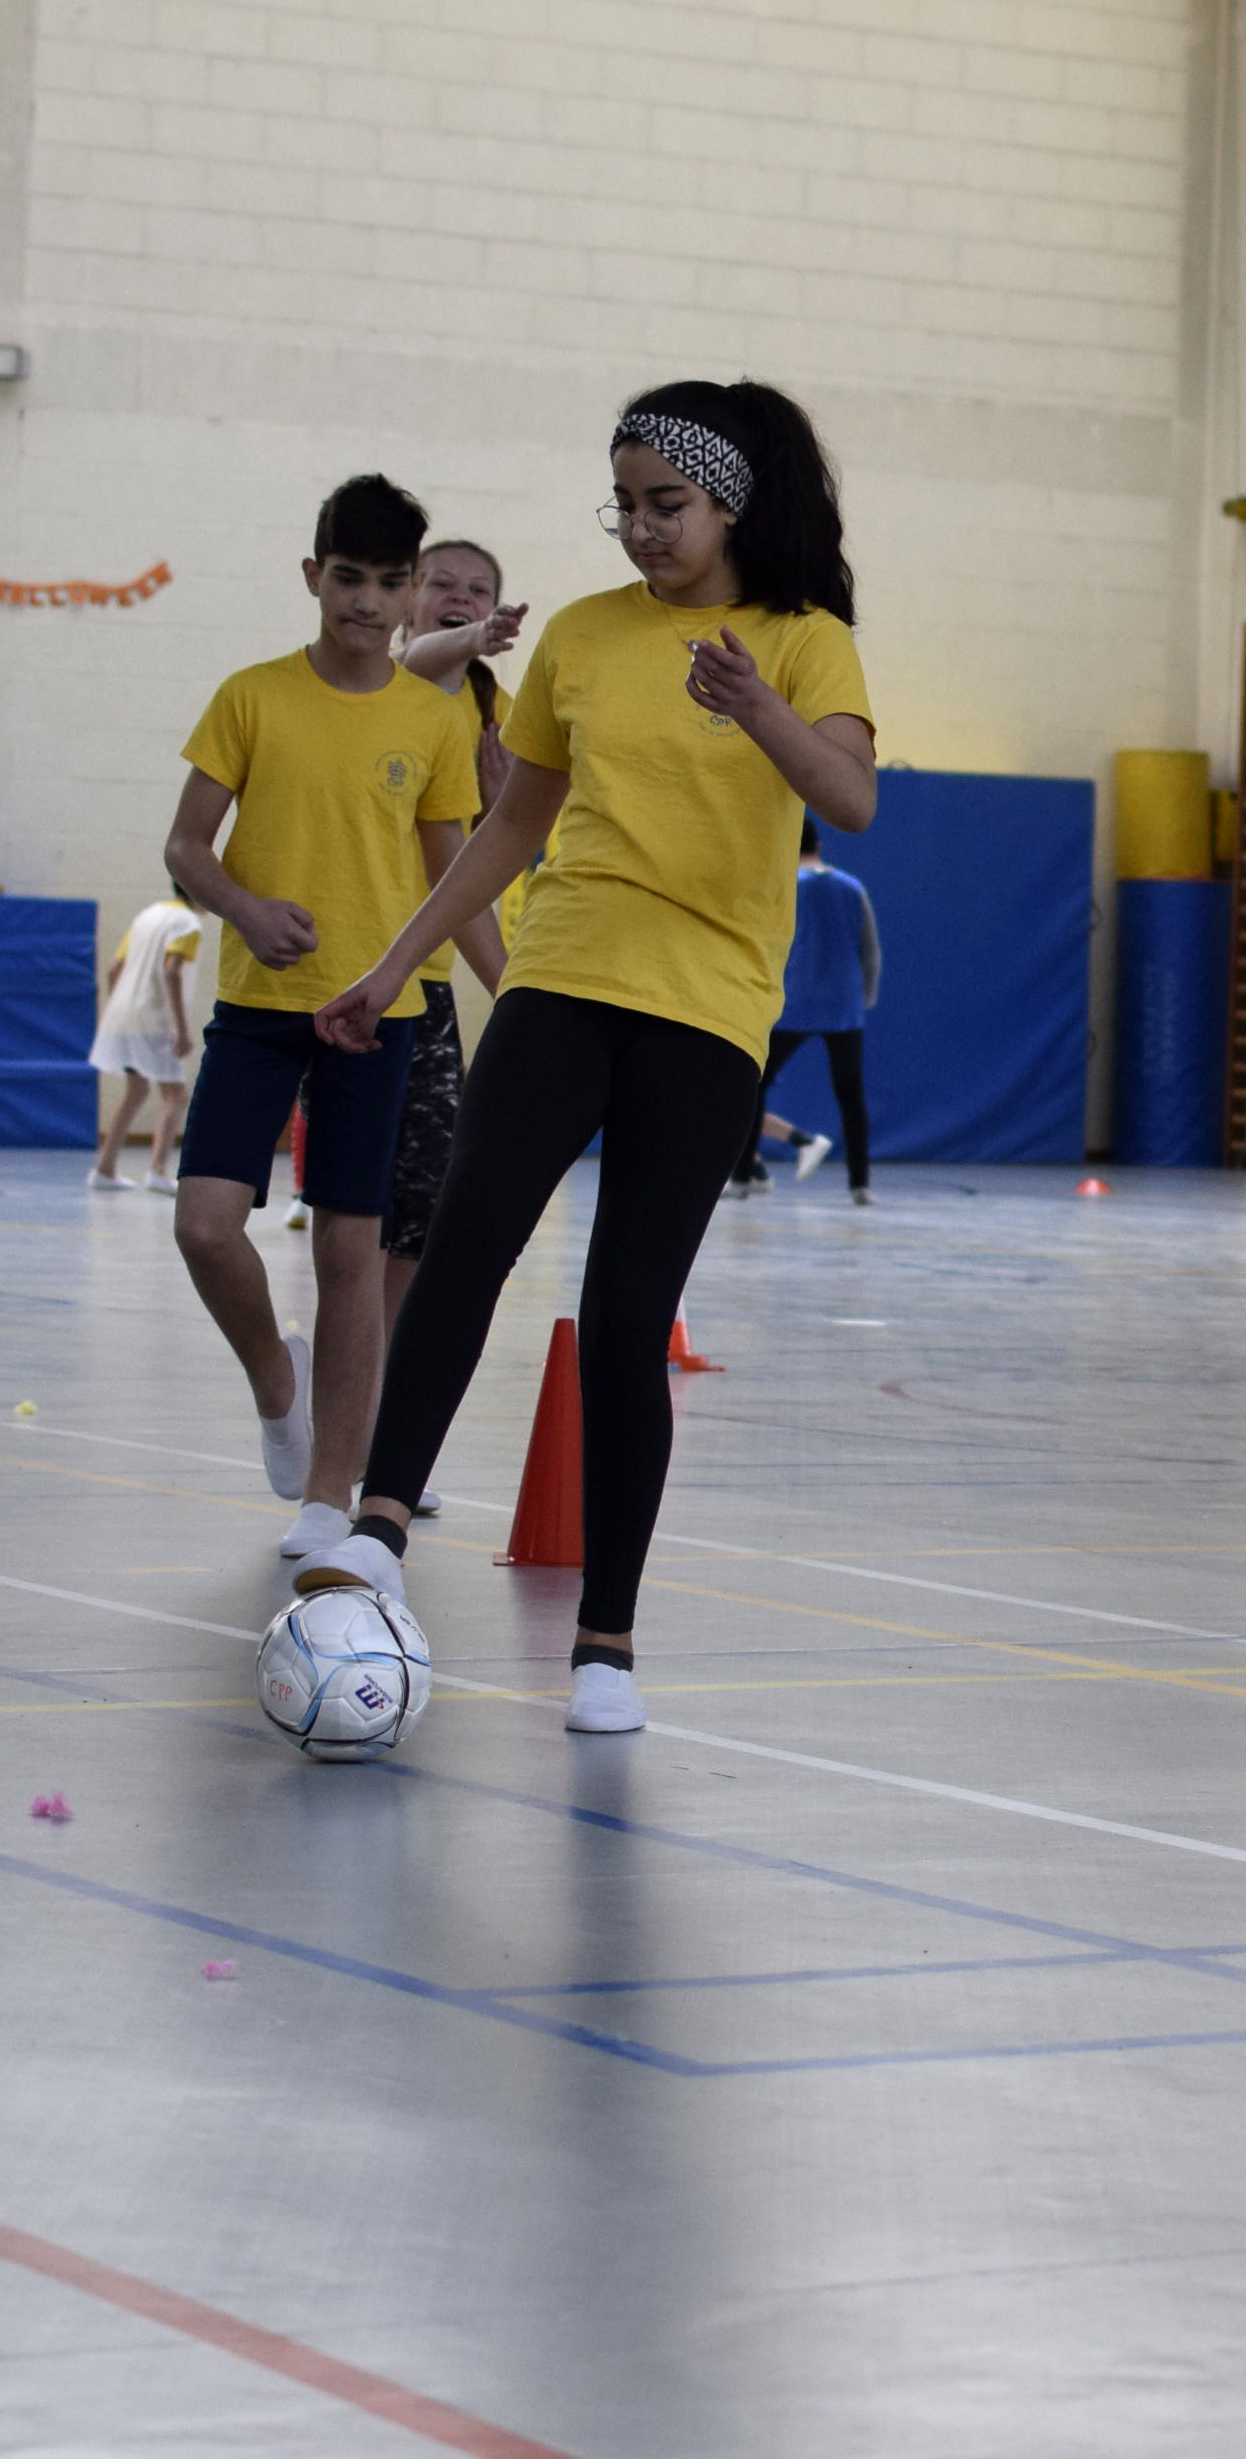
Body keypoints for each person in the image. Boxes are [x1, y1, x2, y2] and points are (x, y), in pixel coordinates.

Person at [306, 380, 878, 1736]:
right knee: (465, 1244)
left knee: (627, 1318)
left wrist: (756, 706)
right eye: (620, 504)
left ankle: (606, 1643)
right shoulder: (580, 636)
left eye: (662, 504)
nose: (637, 529)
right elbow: (508, 829)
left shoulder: (804, 642)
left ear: (728, 501)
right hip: (564, 973)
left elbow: (849, 796)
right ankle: (379, 1521)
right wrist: (394, 963)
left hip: (707, 1011)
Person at [161, 474, 488, 1563]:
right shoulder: (251, 697)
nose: (366, 600)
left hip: (377, 1015)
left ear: (410, 596)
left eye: (390, 582)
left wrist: (516, 986)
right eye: (347, 577)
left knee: (353, 1248)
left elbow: (455, 878)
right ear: (314, 577)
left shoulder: (432, 721)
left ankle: (326, 1491)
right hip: (259, 1008)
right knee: (205, 1224)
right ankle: (275, 1380)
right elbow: (187, 846)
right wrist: (246, 909)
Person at [382, 538, 528, 1336]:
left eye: (479, 590)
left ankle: (376, 1377)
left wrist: (501, 814)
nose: (461, 596)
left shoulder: (495, 712)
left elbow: (481, 871)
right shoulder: (391, 678)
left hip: (427, 982)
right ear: (410, 598)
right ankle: (338, 1375)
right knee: (350, 1216)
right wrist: (473, 636)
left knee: (421, 1209)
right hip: (356, 970)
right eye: (442, 583)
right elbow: (424, 658)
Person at [735, 816, 876, 1201]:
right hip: (844, 1006)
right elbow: (870, 949)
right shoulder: (852, 887)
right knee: (851, 1094)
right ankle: (860, 1183)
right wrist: (865, 997)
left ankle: (742, 1177)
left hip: (793, 1002)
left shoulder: (787, 887)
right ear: (819, 845)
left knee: (753, 1087)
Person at [85, 880, 205, 1192]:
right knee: (175, 1095)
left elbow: (114, 969)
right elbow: (172, 971)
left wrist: (121, 1010)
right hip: (154, 1017)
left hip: (121, 1013)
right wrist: (181, 1027)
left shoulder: (146, 915)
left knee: (136, 1089)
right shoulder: (188, 923)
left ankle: (105, 1168)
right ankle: (157, 1170)